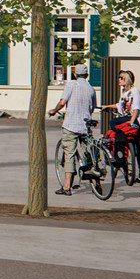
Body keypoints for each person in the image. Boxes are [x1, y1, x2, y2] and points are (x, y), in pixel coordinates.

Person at [47, 60, 97, 195]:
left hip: (71, 125)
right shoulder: (91, 88)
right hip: (85, 126)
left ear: (75, 75)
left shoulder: (72, 85)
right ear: (87, 75)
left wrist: (53, 110)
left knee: (69, 154)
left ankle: (66, 187)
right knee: (89, 152)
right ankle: (96, 183)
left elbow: (63, 102)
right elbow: (92, 108)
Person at [108, 69, 140, 173]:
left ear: (127, 79)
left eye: (121, 78)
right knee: (137, 148)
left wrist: (132, 122)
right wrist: (107, 106)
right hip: (127, 118)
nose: (119, 80)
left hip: (135, 119)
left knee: (113, 122)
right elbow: (120, 106)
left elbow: (136, 108)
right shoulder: (124, 92)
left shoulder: (135, 90)